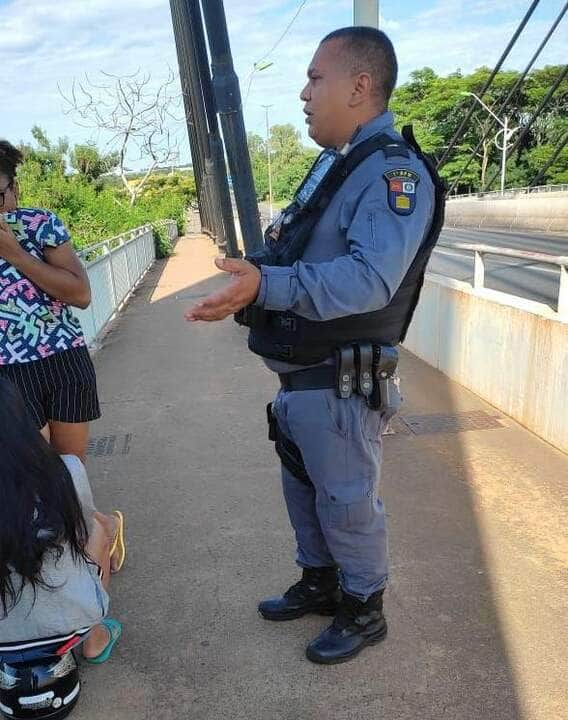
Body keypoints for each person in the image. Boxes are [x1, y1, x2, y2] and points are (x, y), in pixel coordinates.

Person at [186, 27, 444, 664]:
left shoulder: (392, 173)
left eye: (314, 78)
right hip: (303, 380)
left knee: (348, 500)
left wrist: (267, 284)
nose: (303, 93)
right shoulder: (342, 163)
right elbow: (298, 246)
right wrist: (250, 277)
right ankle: (321, 581)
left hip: (339, 380)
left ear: (360, 86)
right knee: (304, 488)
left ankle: (364, 607)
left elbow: (371, 278)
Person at [0, 377, 122, 665]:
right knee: (98, 529)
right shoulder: (64, 470)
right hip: (69, 628)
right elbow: (81, 528)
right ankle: (94, 638)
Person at [0, 140, 100, 462]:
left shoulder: (40, 225)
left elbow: (81, 295)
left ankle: (85, 515)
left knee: (72, 469)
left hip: (63, 359)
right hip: (7, 375)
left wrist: (14, 253)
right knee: (35, 480)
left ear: (14, 187)